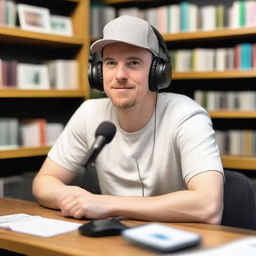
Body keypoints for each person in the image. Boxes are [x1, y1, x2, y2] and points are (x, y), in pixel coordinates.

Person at [32, 15, 224, 224]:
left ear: (157, 72)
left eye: (133, 63)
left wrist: (106, 204)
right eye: (110, 63)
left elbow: (208, 205)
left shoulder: (187, 116)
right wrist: (75, 199)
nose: (120, 75)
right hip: (116, 239)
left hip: (178, 240)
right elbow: (43, 182)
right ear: (97, 73)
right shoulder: (89, 113)